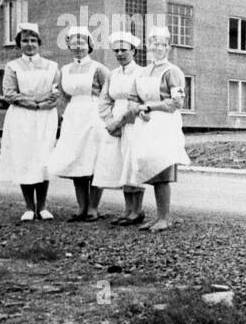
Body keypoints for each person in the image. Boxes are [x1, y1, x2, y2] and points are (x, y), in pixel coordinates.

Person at [125, 27, 190, 233]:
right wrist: (139, 110)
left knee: (162, 170)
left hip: (165, 124)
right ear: (147, 46)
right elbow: (134, 98)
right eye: (153, 43)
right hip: (146, 125)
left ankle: (164, 217)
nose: (157, 48)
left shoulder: (173, 72)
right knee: (150, 168)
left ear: (169, 47)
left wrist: (150, 107)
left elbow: (176, 102)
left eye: (162, 44)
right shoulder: (142, 72)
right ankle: (158, 216)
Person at [0, 24, 60, 222]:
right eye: (25, 40)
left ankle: (42, 206)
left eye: (33, 40)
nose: (29, 44)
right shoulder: (12, 67)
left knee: (43, 159)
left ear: (39, 43)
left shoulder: (52, 66)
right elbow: (9, 93)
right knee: (24, 158)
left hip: (45, 116)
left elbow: (57, 92)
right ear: (19, 44)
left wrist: (43, 105)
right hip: (21, 117)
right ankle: (28, 207)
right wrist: (32, 103)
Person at [46, 25, 110, 220]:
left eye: (81, 43)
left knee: (94, 162)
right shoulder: (63, 70)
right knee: (76, 161)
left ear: (89, 45)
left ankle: (93, 208)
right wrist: (65, 114)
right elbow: (61, 96)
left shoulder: (98, 68)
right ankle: (81, 207)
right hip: (73, 119)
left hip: (94, 117)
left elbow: (109, 92)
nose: (78, 47)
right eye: (73, 43)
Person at [94, 31, 146, 226]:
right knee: (121, 165)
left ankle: (137, 210)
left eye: (124, 50)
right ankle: (127, 210)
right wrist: (109, 122)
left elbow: (140, 102)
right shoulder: (113, 74)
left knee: (133, 164)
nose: (120, 54)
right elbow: (104, 100)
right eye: (116, 51)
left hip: (134, 123)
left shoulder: (142, 73)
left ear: (133, 50)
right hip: (115, 124)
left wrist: (121, 122)